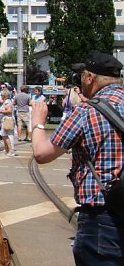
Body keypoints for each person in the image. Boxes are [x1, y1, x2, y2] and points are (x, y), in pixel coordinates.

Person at [31, 51, 124, 264]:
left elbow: (42, 154)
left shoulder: (86, 112)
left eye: (81, 75)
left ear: (89, 78)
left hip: (102, 217)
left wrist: (38, 122)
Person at [0, 90, 16, 156]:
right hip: (6, 119)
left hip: (7, 120)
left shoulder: (7, 102)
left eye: (1, 95)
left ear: (5, 96)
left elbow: (9, 110)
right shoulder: (6, 101)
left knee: (6, 135)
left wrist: (1, 111)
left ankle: (10, 150)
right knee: (5, 135)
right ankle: (7, 150)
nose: (1, 96)